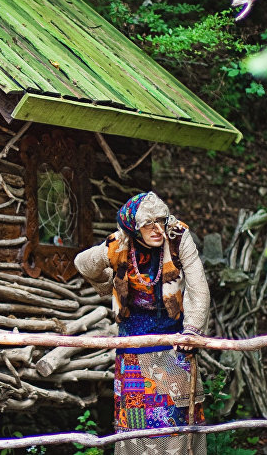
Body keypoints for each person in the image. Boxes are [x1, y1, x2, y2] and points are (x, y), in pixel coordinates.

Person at [74, 191, 209, 454]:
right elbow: (83, 263)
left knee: (177, 420)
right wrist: (106, 281)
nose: (158, 229)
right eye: (149, 224)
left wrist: (191, 330)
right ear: (133, 227)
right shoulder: (119, 243)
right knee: (135, 425)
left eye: (161, 220)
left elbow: (198, 287)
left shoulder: (177, 237)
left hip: (174, 346)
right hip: (133, 349)